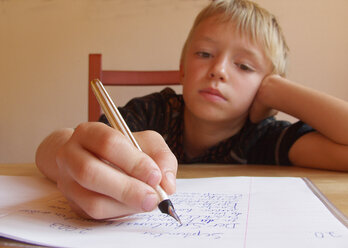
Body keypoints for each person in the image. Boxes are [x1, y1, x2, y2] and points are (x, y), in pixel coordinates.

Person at [35, 0, 348, 220]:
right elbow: (67, 146)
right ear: (182, 69)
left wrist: (279, 92)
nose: (219, 70)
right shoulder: (154, 112)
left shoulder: (267, 138)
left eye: (244, 66)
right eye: (204, 53)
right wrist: (63, 152)